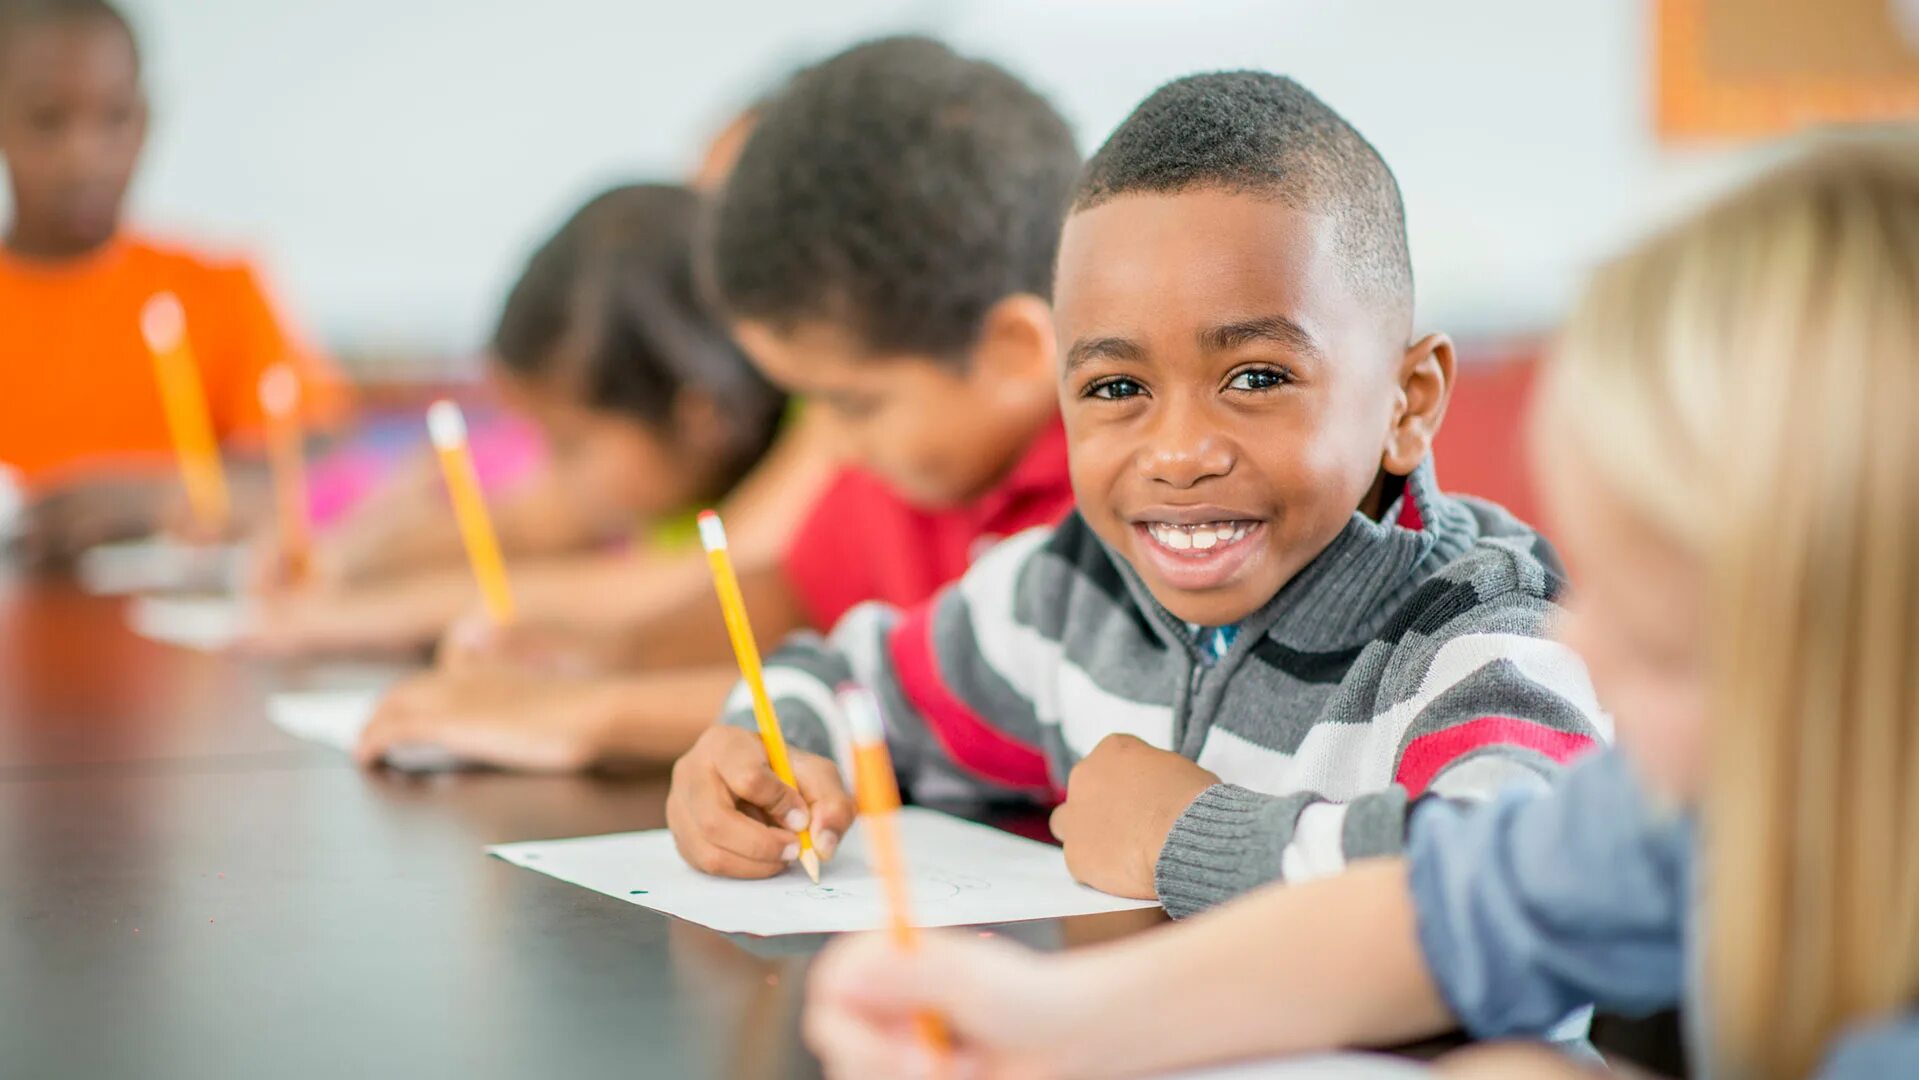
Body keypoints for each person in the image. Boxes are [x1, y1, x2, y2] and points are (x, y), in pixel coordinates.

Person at [803, 136, 1919, 1080]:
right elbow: (1427, 920)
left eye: (1668, 648)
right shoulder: (1677, 822)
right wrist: (1045, 1030)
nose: (1584, 643)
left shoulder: (1490, 630)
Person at [664, 70, 1605, 915]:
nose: (1180, 453)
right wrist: (764, 755)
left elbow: (1531, 887)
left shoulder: (1483, 636)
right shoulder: (1069, 593)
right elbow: (846, 679)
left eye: (1256, 377)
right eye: (1117, 389)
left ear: (1410, 401)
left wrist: (1184, 838)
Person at [354, 36, 1083, 768]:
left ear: (1014, 352)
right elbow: (788, 595)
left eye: (852, 405)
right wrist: (605, 655)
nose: (838, 443)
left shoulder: (1116, 495)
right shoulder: (914, 472)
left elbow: (925, 701)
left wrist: (595, 716)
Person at [244, 183, 831, 658]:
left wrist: (377, 616)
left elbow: (697, 585)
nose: (553, 469)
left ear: (700, 416)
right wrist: (339, 562)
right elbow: (529, 521)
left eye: (570, 445)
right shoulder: (664, 447)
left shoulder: (828, 425)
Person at [0, 0, 346, 563]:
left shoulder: (220, 287)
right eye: (47, 119)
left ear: (145, 120)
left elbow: (321, 474)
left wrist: (163, 497)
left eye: (114, 117)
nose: (85, 156)